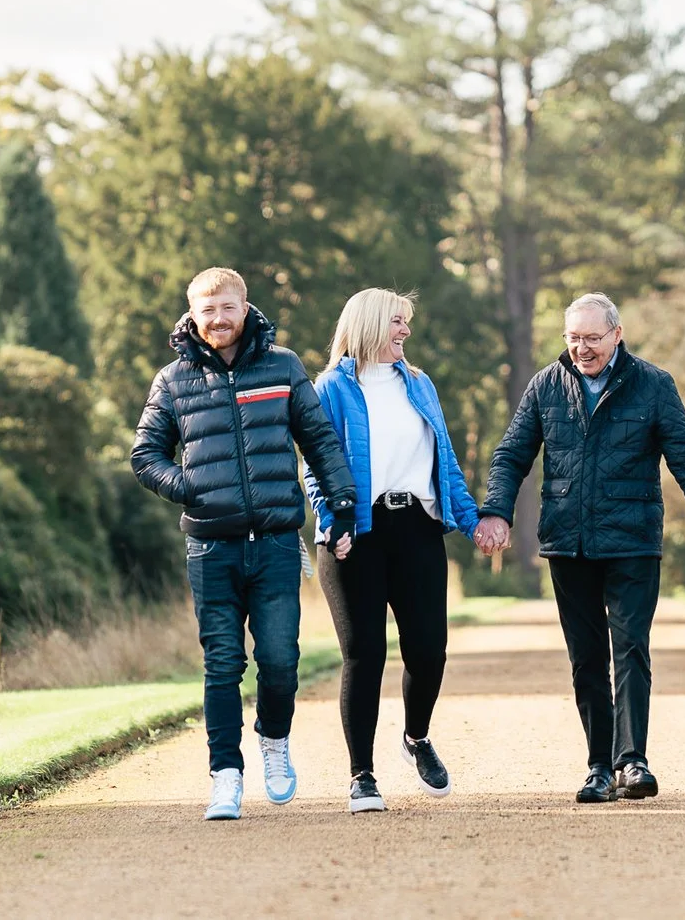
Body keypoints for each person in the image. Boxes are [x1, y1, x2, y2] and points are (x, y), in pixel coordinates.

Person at [474, 292, 685, 804]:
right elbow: (511, 454)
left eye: (592, 338)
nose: (582, 349)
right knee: (586, 658)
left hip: (632, 540)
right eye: (574, 338)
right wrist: (496, 510)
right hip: (569, 542)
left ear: (617, 333)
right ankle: (598, 766)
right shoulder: (546, 384)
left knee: (630, 648)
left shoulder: (653, 385)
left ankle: (632, 761)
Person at [130, 267, 356, 823]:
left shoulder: (282, 366)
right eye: (207, 311)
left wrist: (344, 501)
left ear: (244, 307)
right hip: (211, 548)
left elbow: (320, 440)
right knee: (223, 663)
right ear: (192, 314)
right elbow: (145, 455)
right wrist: (191, 490)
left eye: (227, 308)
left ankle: (274, 742)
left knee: (280, 661)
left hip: (277, 543)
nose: (218, 320)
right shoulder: (172, 379)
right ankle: (225, 776)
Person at [302, 287, 481, 815]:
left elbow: (444, 462)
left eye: (406, 322)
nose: (405, 331)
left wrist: (472, 523)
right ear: (370, 325)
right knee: (365, 654)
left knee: (428, 650)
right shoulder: (330, 387)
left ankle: (416, 738)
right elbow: (316, 462)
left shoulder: (420, 385)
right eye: (397, 322)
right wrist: (333, 522)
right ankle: (362, 775)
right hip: (354, 533)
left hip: (417, 528)